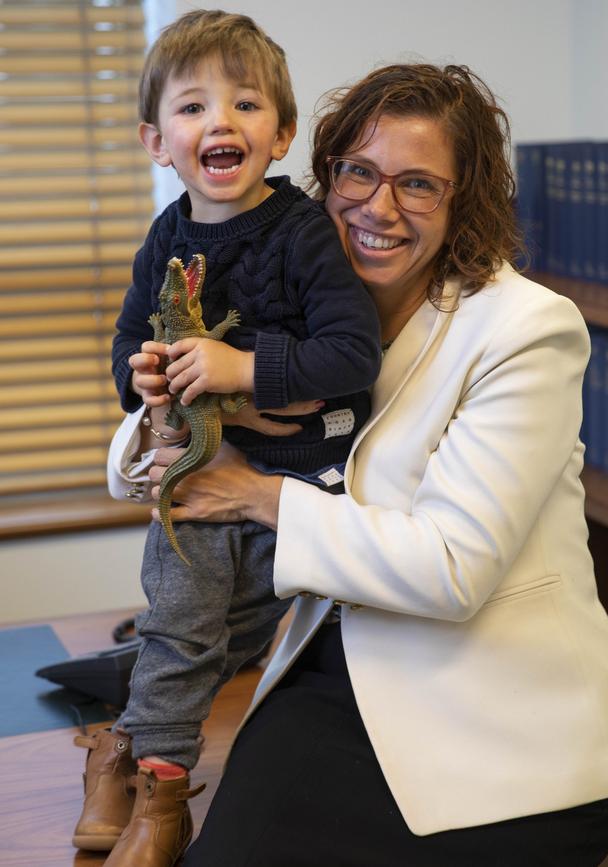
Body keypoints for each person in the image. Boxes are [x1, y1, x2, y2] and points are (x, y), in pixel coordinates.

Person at [110, 61, 608, 866]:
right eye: (358, 172)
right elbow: (137, 466)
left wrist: (256, 495)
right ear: (323, 173)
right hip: (331, 672)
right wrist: (162, 412)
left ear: (463, 200)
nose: (378, 207)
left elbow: (451, 568)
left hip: (504, 725)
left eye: (419, 185)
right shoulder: (294, 289)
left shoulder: (526, 329)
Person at [73, 10, 381, 867]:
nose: (221, 122)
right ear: (156, 141)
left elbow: (353, 353)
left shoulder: (303, 232)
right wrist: (138, 378)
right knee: (180, 623)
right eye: (193, 107)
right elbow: (128, 348)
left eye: (245, 104)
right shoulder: (164, 239)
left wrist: (238, 368)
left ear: (280, 132)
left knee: (225, 636)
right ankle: (160, 796)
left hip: (303, 487)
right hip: (202, 482)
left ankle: (122, 750)